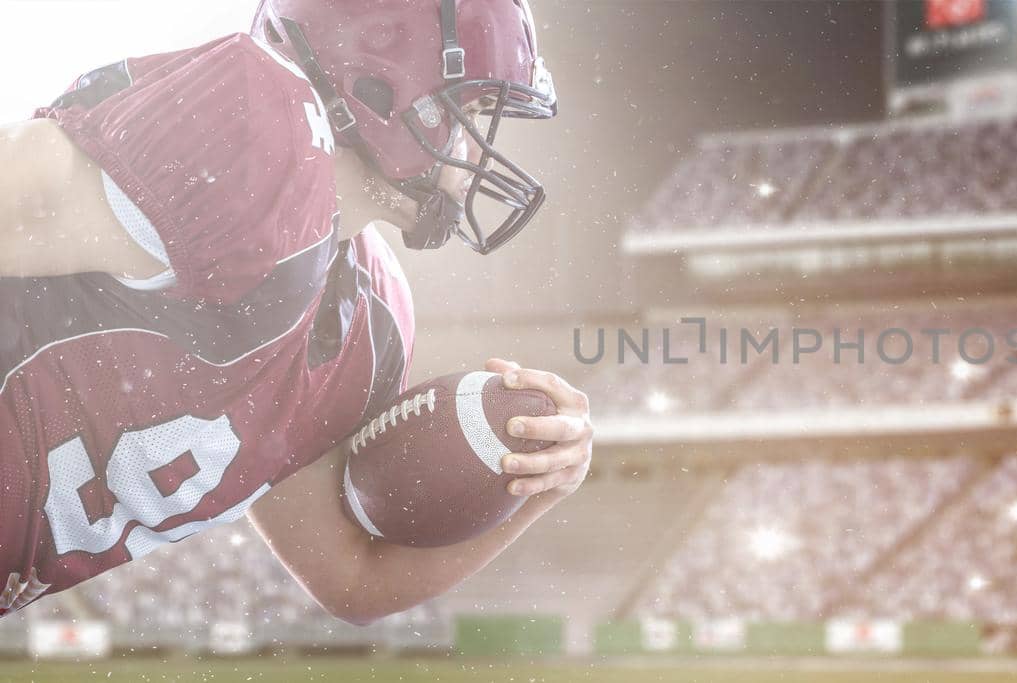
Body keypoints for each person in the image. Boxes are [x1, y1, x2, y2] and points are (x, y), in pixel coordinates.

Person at [0, 0, 593, 624]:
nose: (479, 154)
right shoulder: (254, 137)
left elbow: (353, 578)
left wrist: (540, 485)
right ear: (383, 81)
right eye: (470, 108)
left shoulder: (369, 326)